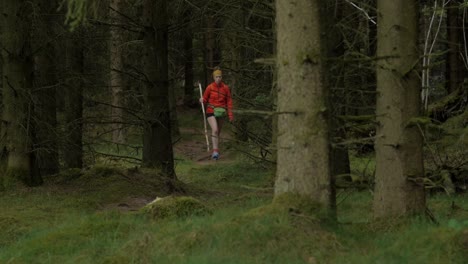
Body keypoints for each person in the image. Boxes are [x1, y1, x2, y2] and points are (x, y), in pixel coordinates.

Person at [199, 68, 234, 160]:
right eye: (216, 77)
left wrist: (230, 115)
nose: (218, 78)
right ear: (214, 78)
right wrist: (202, 100)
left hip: (221, 112)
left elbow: (229, 101)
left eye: (220, 76)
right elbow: (205, 98)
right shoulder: (209, 87)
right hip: (211, 111)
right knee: (214, 130)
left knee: (218, 132)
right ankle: (215, 152)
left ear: (222, 77)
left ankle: (215, 149)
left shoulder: (225, 88)